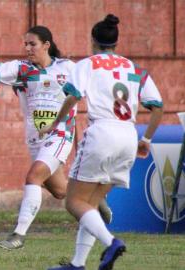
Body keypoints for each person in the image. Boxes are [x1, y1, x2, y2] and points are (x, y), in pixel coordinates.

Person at [0, 25, 111, 251]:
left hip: (60, 134)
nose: (27, 48)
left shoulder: (68, 68)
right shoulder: (20, 68)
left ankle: (18, 235)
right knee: (61, 191)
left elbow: (90, 88)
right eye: (25, 44)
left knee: (33, 177)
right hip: (35, 139)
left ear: (46, 45)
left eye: (32, 44)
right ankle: (92, 194)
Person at [40, 14, 163, 270]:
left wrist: (56, 122)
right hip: (129, 134)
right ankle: (77, 263)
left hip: (102, 133)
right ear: (116, 42)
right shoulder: (134, 68)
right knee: (91, 204)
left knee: (73, 202)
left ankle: (111, 242)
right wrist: (147, 139)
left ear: (93, 40)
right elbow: (158, 107)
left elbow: (73, 97)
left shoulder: (87, 64)